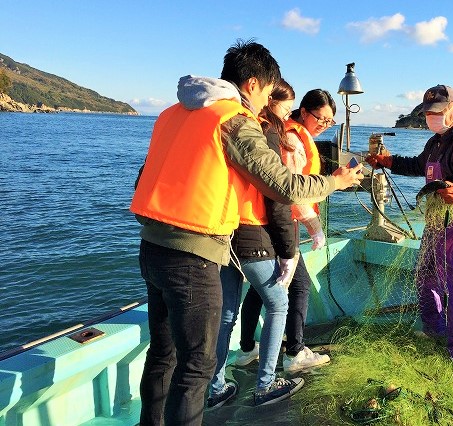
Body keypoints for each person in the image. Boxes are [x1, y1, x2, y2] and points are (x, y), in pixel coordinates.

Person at [130, 40, 363, 426]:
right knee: (196, 368)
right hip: (193, 255)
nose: (265, 104)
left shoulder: (172, 114)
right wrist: (335, 181)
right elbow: (283, 185)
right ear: (254, 84)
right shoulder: (233, 120)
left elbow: (145, 179)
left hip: (152, 249)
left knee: (163, 356)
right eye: (269, 93)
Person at [366, 84, 453, 371]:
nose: (432, 118)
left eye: (438, 112)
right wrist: (388, 160)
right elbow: (419, 166)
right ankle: (434, 329)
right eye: (428, 114)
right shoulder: (435, 141)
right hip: (437, 219)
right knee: (426, 275)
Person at [206, 78, 304, 409]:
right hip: (251, 231)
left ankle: (215, 387)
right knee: (278, 302)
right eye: (286, 107)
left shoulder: (229, 124)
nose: (288, 114)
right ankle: (264, 385)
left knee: (227, 312)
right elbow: (277, 196)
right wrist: (288, 250)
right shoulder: (267, 131)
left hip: (223, 232)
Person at [237, 89, 336, 373]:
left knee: (260, 288)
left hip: (260, 221)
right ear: (303, 112)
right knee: (299, 284)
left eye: (329, 123)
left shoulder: (283, 133)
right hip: (281, 223)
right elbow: (291, 191)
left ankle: (246, 348)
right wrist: (314, 227)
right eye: (321, 118)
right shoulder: (292, 138)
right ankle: (294, 351)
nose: (323, 125)